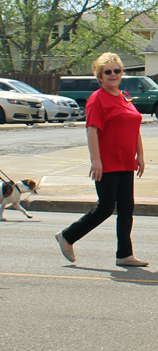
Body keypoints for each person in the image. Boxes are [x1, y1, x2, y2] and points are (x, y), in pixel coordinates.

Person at [55, 52, 148, 267]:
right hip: (107, 162)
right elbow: (92, 131)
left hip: (126, 161)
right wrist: (96, 160)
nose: (113, 74)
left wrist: (140, 155)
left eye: (117, 71)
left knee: (126, 209)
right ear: (100, 76)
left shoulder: (124, 96)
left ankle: (124, 254)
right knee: (106, 207)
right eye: (108, 72)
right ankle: (67, 236)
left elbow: (134, 128)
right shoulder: (97, 99)